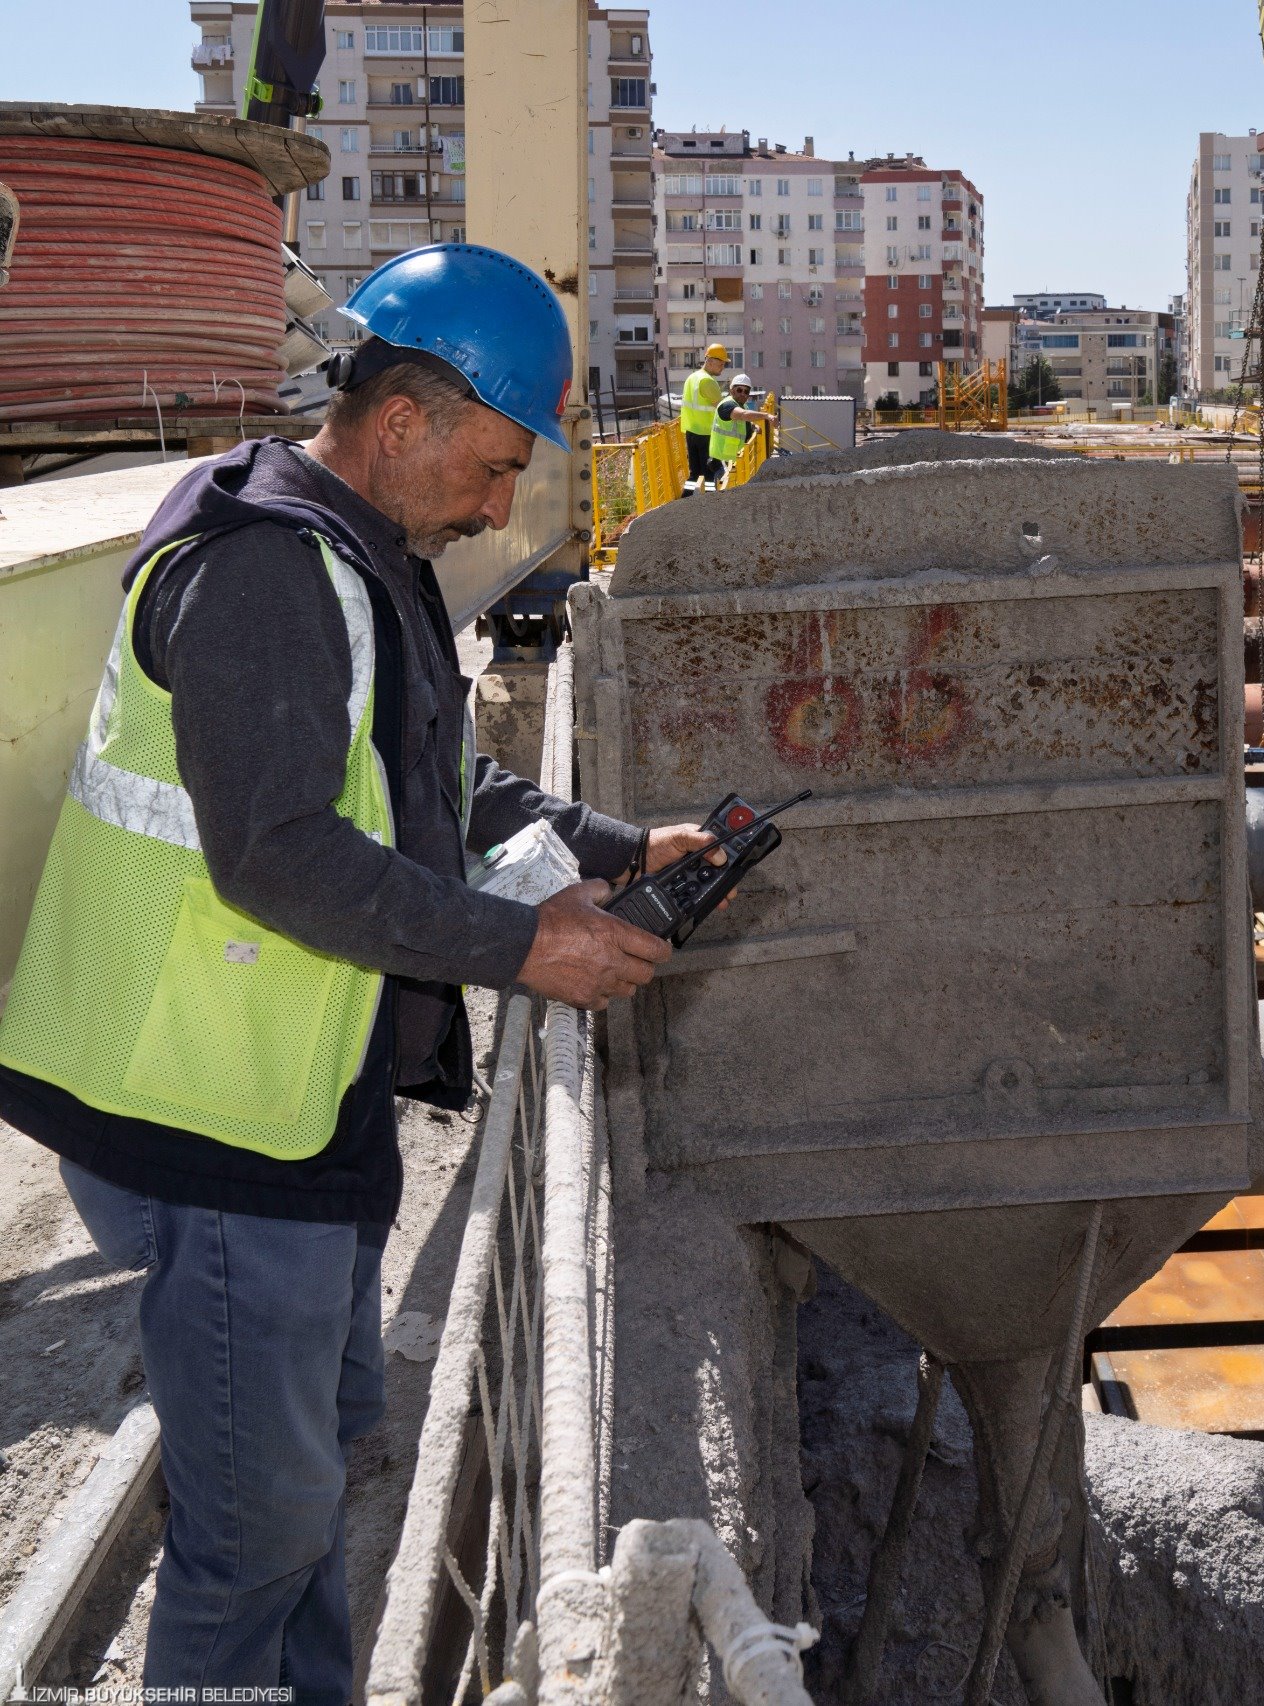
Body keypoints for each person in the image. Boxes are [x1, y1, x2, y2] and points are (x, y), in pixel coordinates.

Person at [0, 242, 706, 1704]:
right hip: (209, 1120)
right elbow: (279, 856)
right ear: (402, 421)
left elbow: (431, 785)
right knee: (251, 1542)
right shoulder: (267, 569)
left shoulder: (359, 559)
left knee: (302, 1503)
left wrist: (619, 849)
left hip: (289, 1103)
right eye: (497, 465)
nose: (505, 505)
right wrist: (527, 946)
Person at [705, 371, 778, 486]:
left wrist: (755, 427)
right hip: (723, 464)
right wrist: (766, 416)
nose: (743, 394)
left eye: (746, 391)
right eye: (739, 390)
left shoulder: (743, 406)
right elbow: (742, 415)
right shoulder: (727, 405)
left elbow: (744, 423)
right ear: (731, 390)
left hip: (735, 463)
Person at [679, 341, 730, 488]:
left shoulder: (692, 377)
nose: (723, 367)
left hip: (691, 432)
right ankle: (709, 505)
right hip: (706, 435)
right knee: (709, 475)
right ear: (710, 361)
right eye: (721, 364)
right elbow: (724, 410)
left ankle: (686, 500)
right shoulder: (708, 381)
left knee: (695, 473)